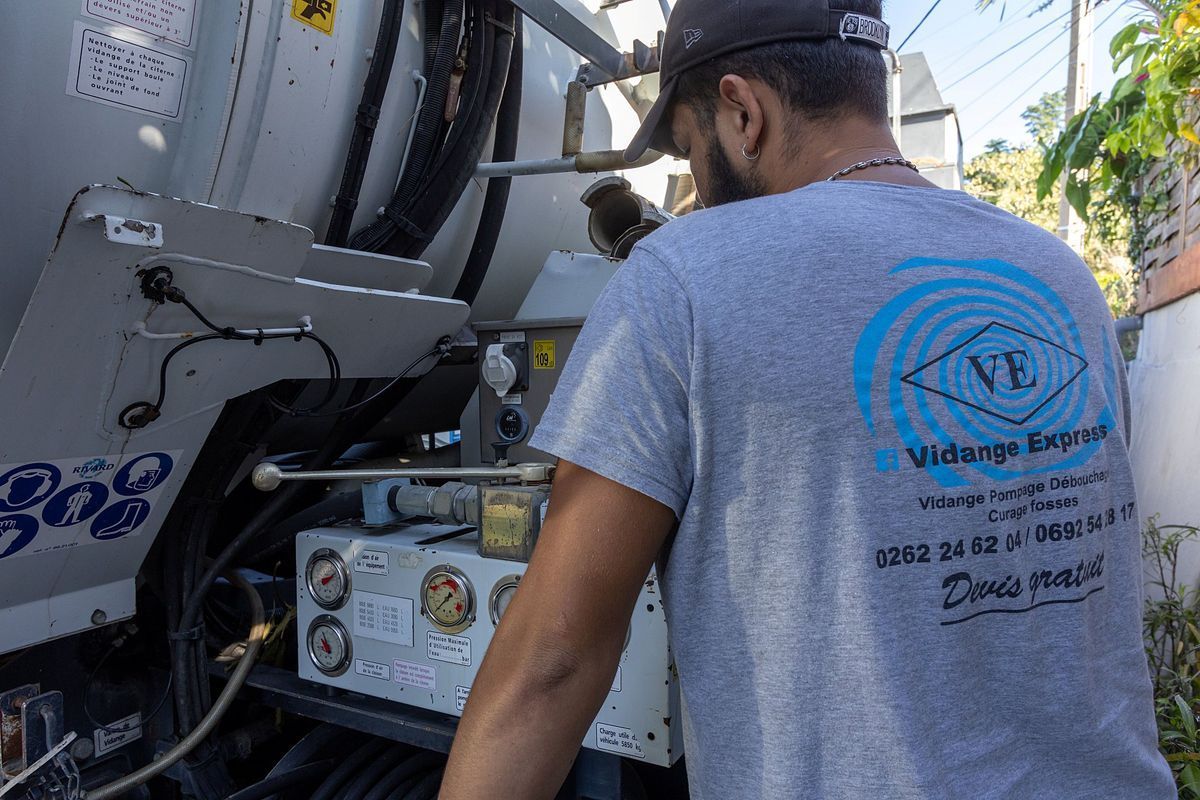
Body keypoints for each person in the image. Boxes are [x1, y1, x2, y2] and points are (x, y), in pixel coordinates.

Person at [440, 0, 1176, 797]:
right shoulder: (1060, 275)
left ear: (743, 114)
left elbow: (551, 666)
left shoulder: (684, 279)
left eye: (691, 152)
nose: (696, 189)